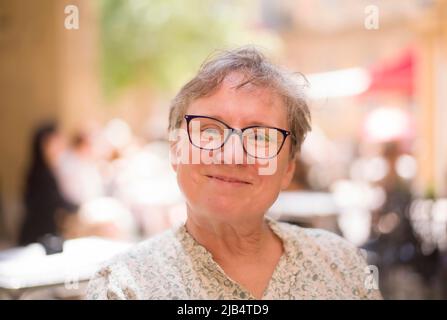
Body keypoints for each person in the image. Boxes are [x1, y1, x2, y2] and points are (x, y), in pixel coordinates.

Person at [86, 47, 382, 299]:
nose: (232, 154)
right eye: (209, 130)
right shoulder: (124, 286)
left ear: (288, 168)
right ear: (176, 149)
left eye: (260, 137)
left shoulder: (342, 266)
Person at [18, 121, 78, 246]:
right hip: (37, 234)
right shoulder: (39, 173)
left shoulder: (51, 168)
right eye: (53, 143)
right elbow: (52, 201)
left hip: (46, 231)